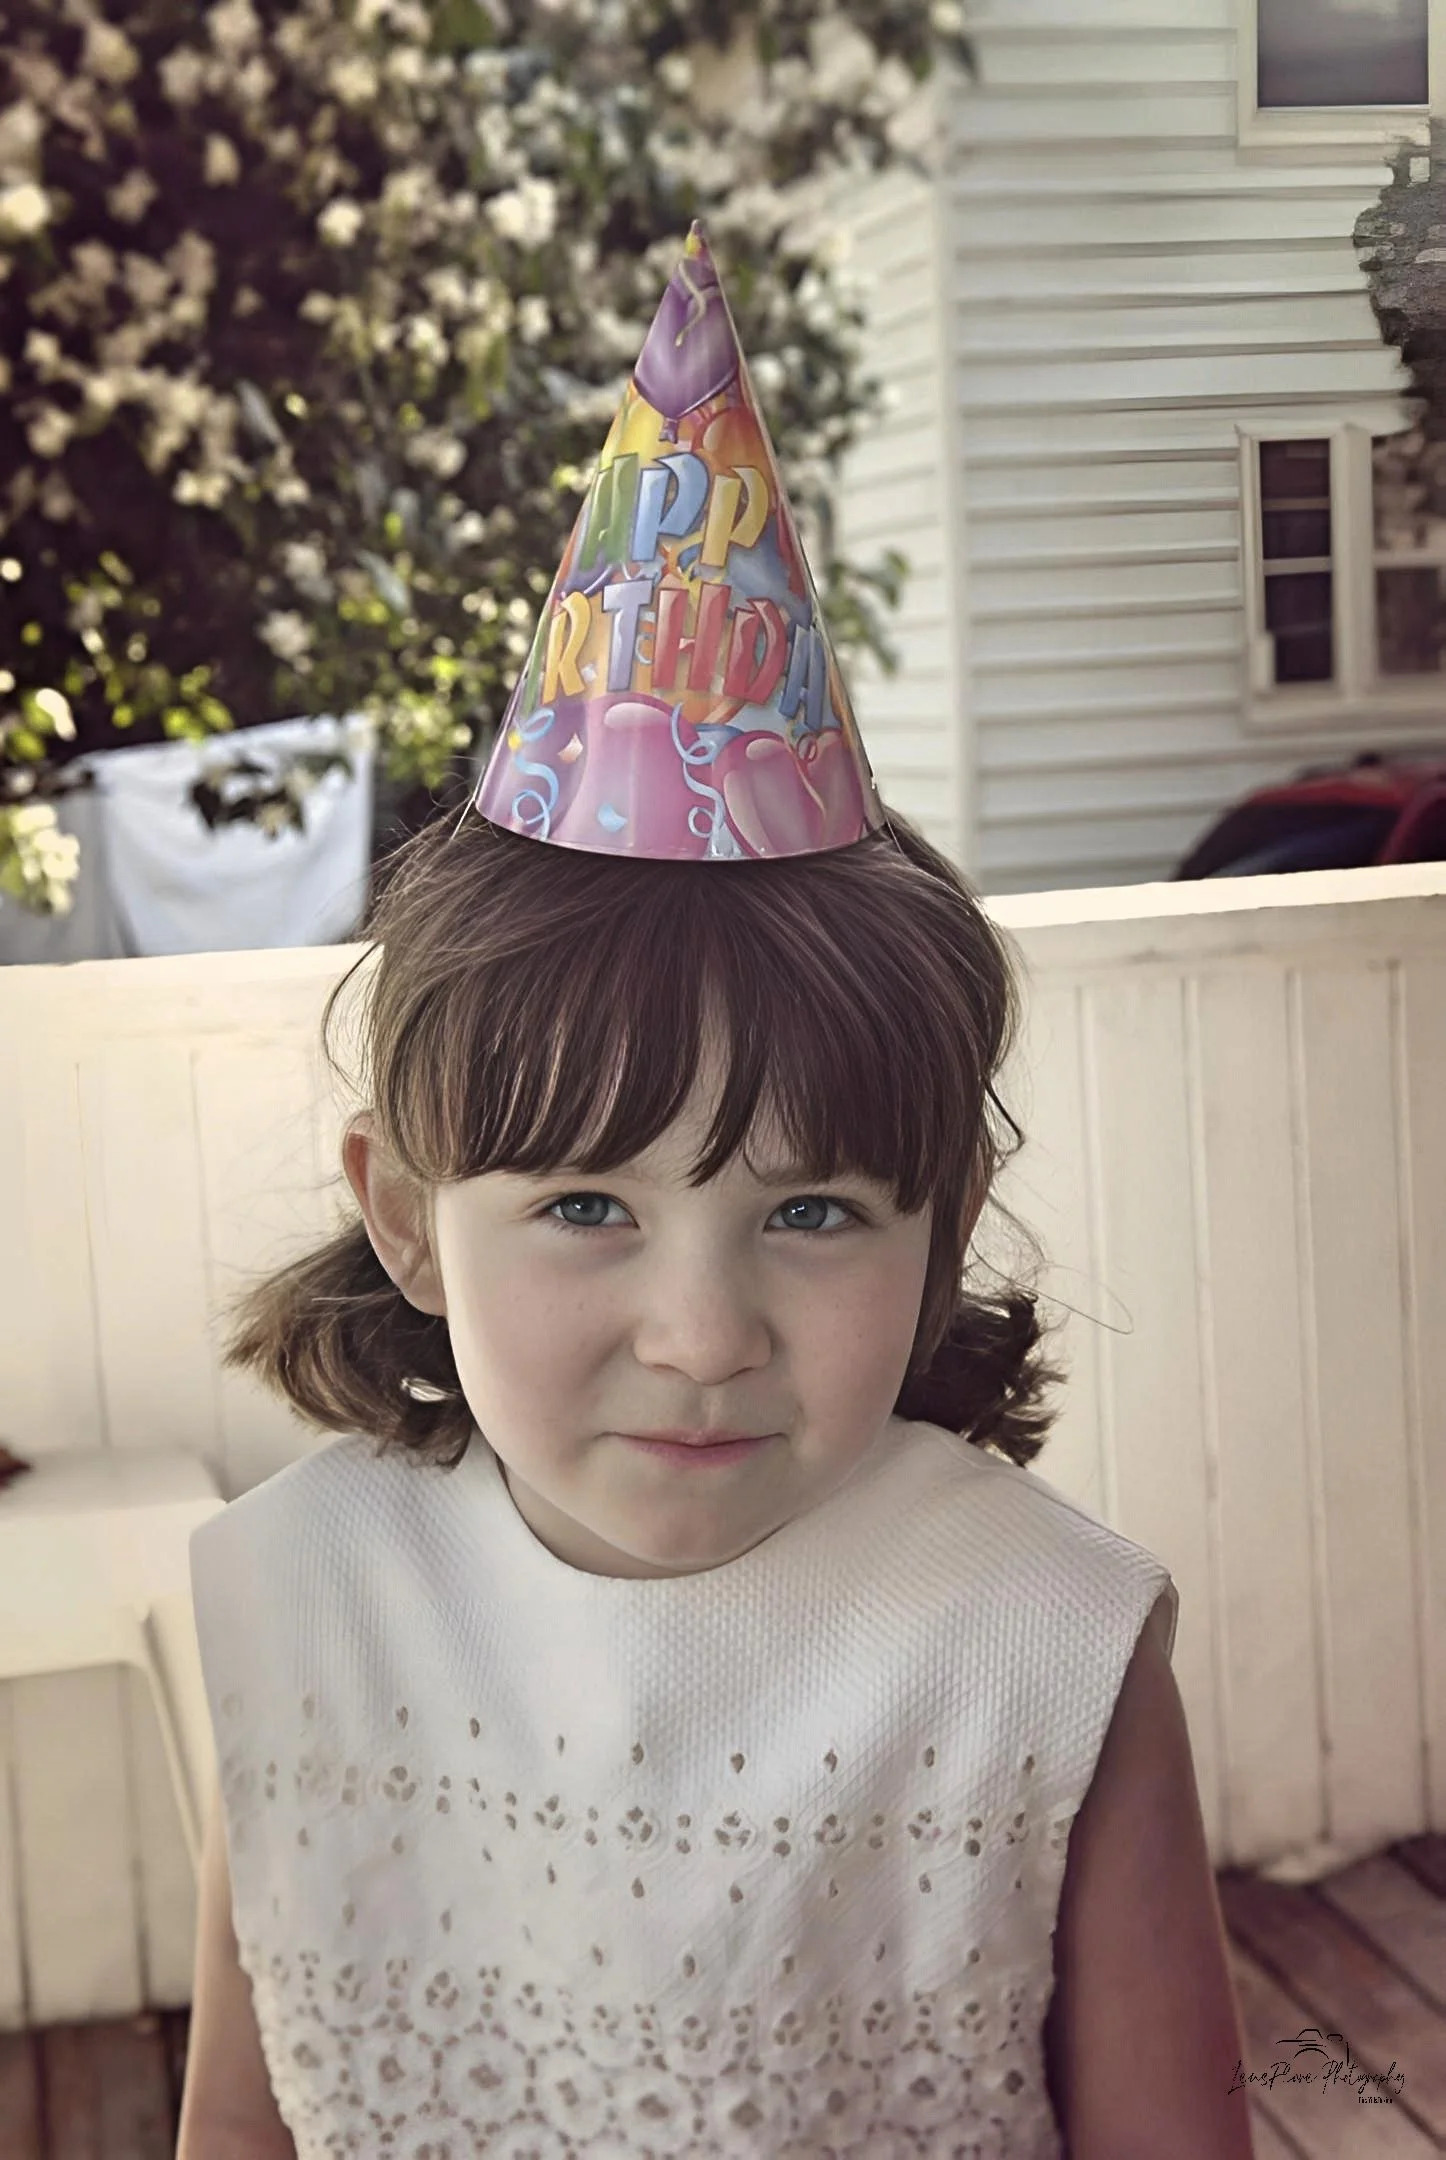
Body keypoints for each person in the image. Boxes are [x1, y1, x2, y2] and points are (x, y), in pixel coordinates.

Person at [178, 226, 1253, 2159]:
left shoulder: (1037, 1643)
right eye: (587, 1205)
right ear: (409, 1216)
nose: (699, 1334)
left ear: (938, 1221)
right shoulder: (289, 1598)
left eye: (814, 1211)